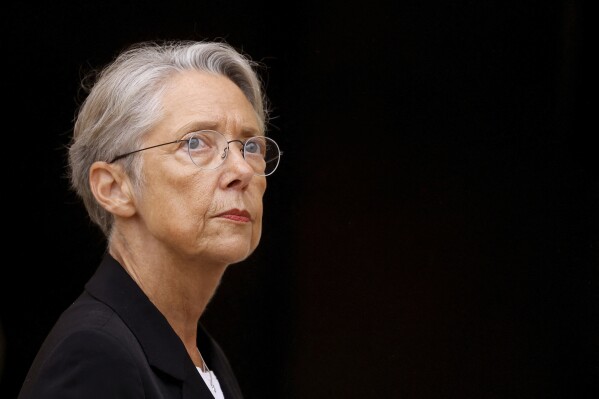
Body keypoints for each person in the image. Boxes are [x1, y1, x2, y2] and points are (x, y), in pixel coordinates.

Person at [18, 39, 282, 399]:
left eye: (250, 146)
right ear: (114, 188)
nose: (241, 170)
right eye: (196, 143)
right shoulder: (95, 355)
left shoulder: (205, 356)